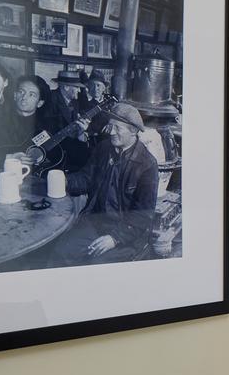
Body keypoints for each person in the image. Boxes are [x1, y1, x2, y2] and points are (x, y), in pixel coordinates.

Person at [65, 102, 159, 258]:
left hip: (127, 233)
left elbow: (143, 215)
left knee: (97, 265)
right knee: (62, 251)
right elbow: (86, 178)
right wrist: (65, 181)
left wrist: (115, 238)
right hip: (95, 222)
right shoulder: (103, 148)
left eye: (117, 128)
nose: (111, 132)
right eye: (110, 126)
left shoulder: (147, 165)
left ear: (133, 131)